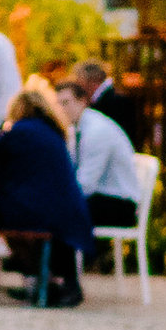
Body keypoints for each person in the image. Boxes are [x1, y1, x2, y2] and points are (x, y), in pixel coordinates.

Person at [0, 81, 94, 308]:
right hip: (68, 206)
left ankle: (37, 276)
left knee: (2, 220)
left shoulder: (19, 131)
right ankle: (51, 282)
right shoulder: (54, 132)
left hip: (38, 208)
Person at [56, 77, 145, 237]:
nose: (61, 109)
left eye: (66, 102)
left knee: (58, 213)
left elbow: (85, 185)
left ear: (82, 101)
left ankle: (72, 261)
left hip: (120, 205)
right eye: (58, 104)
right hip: (104, 198)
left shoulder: (96, 131)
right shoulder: (78, 128)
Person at [74, 59, 146, 147]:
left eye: (79, 80)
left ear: (90, 80)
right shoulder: (109, 98)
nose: (77, 86)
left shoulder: (116, 101)